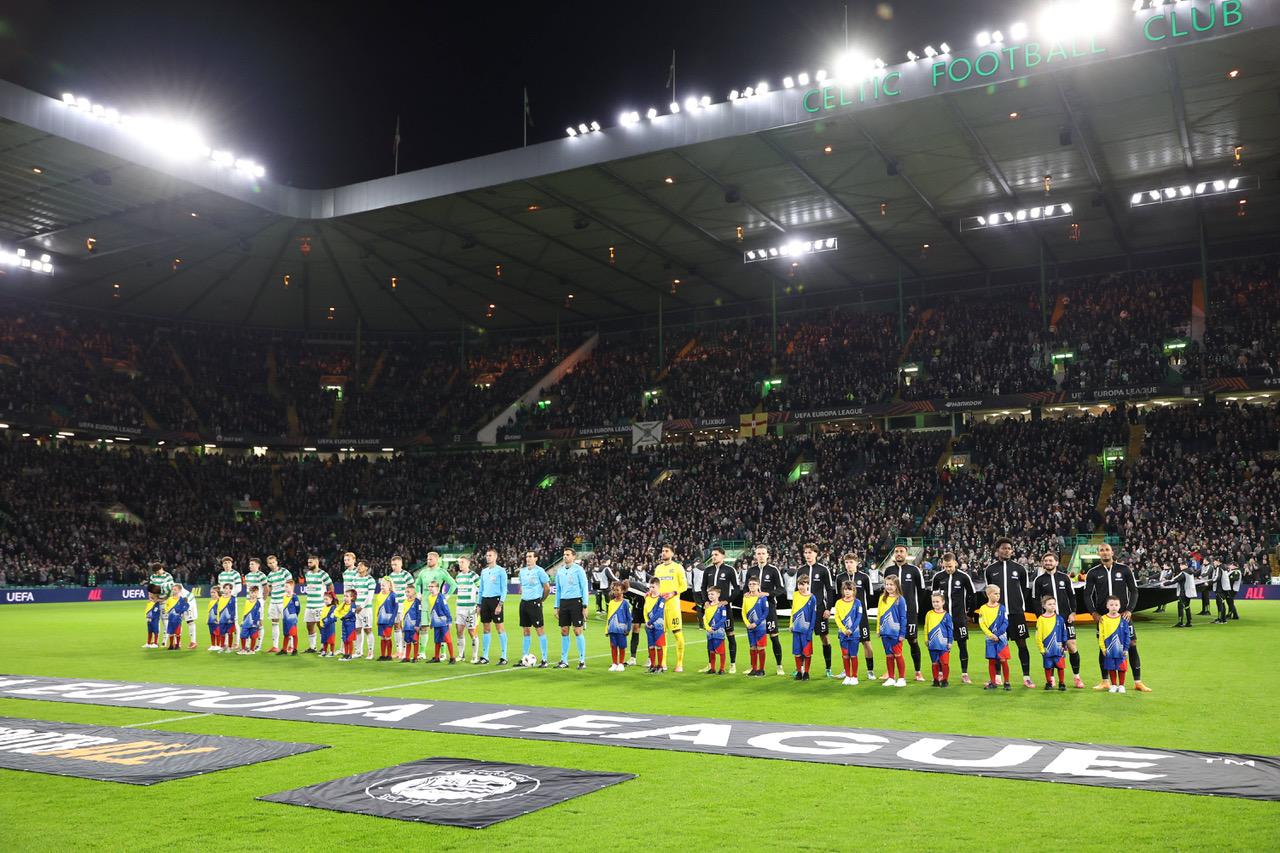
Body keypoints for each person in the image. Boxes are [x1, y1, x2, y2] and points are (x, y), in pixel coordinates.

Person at [1085, 542, 1149, 691]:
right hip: (1104, 618)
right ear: (1098, 553)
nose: (1105, 552)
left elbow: (1134, 591)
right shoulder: (1093, 572)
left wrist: (1129, 610)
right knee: (1104, 645)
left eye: (1107, 550)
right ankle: (1105, 681)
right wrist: (1093, 612)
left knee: (1132, 643)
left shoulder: (1124, 569)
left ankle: (1137, 682)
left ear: (1112, 552)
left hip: (1123, 617)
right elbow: (1087, 594)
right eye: (1102, 550)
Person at [984, 538, 1036, 688]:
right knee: (997, 644)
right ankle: (997, 677)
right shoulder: (990, 570)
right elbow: (988, 591)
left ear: (1012, 551)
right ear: (997, 551)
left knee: (1022, 643)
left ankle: (1026, 677)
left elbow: (1025, 590)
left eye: (1009, 548)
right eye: (1003, 548)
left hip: (1016, 613)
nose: (1006, 551)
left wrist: (1017, 605)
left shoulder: (1020, 569)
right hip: (997, 615)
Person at [1031, 551, 1085, 688]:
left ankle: (1076, 677)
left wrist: (1073, 612)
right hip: (1049, 621)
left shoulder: (1064, 578)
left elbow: (1072, 596)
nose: (1048, 563)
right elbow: (1035, 600)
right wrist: (1040, 617)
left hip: (1066, 619)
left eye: (1051, 561)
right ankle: (1052, 678)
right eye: (1046, 561)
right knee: (1050, 648)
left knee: (1071, 646)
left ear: (1056, 562)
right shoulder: (1039, 580)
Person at [930, 551, 975, 684]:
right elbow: (933, 596)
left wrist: (970, 613)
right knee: (940, 646)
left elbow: (973, 595)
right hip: (942, 619)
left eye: (950, 566)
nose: (948, 569)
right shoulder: (938, 577)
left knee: (962, 645)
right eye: (945, 566)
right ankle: (940, 673)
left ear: (955, 563)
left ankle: (965, 673)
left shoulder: (964, 577)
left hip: (959, 617)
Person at [743, 545, 787, 676]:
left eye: (763, 553)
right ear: (755, 556)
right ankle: (753, 666)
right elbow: (745, 587)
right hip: (753, 609)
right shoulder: (751, 571)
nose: (761, 556)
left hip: (769, 608)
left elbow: (781, 589)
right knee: (754, 639)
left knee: (773, 636)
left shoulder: (773, 570)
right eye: (759, 553)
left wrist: (768, 594)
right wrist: (745, 593)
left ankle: (779, 665)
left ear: (767, 555)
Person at [887, 545, 927, 682]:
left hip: (910, 613)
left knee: (912, 640)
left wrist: (913, 605)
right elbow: (886, 590)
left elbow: (922, 590)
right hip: (892, 613)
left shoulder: (914, 570)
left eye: (901, 551)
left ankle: (918, 672)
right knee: (891, 641)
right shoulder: (889, 570)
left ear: (907, 554)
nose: (899, 554)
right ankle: (890, 672)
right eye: (896, 551)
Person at [835, 553, 876, 680]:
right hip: (845, 617)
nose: (849, 565)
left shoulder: (864, 577)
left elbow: (870, 595)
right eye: (847, 562)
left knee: (866, 642)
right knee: (845, 643)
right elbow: (838, 596)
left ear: (857, 563)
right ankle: (846, 670)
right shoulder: (840, 578)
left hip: (860, 617)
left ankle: (870, 670)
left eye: (851, 562)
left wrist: (862, 610)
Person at [801, 544, 838, 678]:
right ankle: (801, 668)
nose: (808, 555)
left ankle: (828, 668)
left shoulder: (823, 570)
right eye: (806, 552)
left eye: (810, 552)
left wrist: (828, 608)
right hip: (804, 611)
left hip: (819, 610)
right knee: (802, 638)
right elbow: (796, 591)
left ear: (816, 554)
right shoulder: (801, 570)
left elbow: (829, 590)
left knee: (824, 637)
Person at [701, 546, 740, 673]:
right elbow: (703, 587)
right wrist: (705, 601)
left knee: (730, 634)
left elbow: (737, 588)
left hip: (724, 608)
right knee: (710, 634)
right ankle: (710, 665)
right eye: (712, 555)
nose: (713, 557)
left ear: (723, 556)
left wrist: (727, 600)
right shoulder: (708, 570)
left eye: (716, 555)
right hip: (710, 609)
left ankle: (732, 664)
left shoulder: (729, 570)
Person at [653, 544, 688, 673]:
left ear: (672, 554)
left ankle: (679, 664)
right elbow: (655, 586)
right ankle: (663, 663)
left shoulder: (678, 568)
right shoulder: (658, 569)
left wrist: (672, 593)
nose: (664, 553)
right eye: (663, 551)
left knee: (677, 633)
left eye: (666, 551)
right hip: (660, 607)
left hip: (673, 606)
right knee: (662, 634)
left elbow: (684, 586)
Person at [554, 547, 590, 670]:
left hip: (576, 602)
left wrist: (585, 606)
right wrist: (556, 606)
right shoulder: (560, 571)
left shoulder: (579, 570)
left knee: (577, 630)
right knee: (564, 631)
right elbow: (558, 590)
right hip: (564, 603)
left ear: (573, 557)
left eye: (568, 554)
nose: (565, 556)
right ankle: (564, 660)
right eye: (564, 554)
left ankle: (582, 660)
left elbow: (584, 588)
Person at [515, 551, 551, 667]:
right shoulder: (522, 571)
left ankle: (544, 659)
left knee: (539, 630)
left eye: (530, 556)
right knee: (526, 630)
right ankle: (524, 658)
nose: (528, 558)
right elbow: (522, 585)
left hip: (535, 602)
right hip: (524, 603)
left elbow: (547, 588)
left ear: (536, 558)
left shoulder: (540, 571)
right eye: (527, 557)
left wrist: (541, 600)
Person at [477, 549, 509, 665]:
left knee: (500, 628)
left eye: (490, 555)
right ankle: (485, 657)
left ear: (496, 557)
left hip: (496, 601)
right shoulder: (484, 572)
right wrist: (479, 604)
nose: (488, 557)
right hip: (485, 601)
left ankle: (504, 657)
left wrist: (500, 604)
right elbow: (481, 589)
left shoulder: (501, 571)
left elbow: (504, 589)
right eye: (487, 555)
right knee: (486, 629)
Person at [978, 584, 1012, 691]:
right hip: (990, 639)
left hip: (1002, 638)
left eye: (999, 594)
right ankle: (993, 682)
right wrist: (990, 635)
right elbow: (982, 624)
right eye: (995, 594)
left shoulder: (1002, 608)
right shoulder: (983, 608)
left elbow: (1005, 623)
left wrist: (997, 634)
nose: (998, 596)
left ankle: (1007, 682)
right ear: (988, 595)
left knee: (1003, 660)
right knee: (992, 660)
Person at [877, 574, 907, 688]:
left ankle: (902, 678)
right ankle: (891, 678)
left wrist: (902, 633)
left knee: (898, 655)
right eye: (887, 584)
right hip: (885, 632)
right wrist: (878, 630)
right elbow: (879, 614)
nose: (889, 587)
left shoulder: (900, 600)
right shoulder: (882, 598)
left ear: (896, 586)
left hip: (896, 633)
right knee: (889, 655)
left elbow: (903, 618)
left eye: (891, 584)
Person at [1098, 595, 1132, 693]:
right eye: (1111, 605)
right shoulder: (1103, 619)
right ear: (1107, 606)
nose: (1114, 607)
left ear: (1120, 606)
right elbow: (1101, 635)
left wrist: (1126, 648)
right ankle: (1113, 685)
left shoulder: (1123, 619)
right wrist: (1103, 648)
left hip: (1121, 648)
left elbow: (1127, 635)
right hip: (1109, 648)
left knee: (1121, 667)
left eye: (1116, 605)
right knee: (1111, 667)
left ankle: (1121, 685)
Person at [1035, 594, 1069, 691]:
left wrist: (1065, 646)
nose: (1053, 606)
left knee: (1060, 666)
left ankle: (1061, 683)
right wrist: (1041, 648)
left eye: (1054, 604)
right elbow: (1038, 635)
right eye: (1050, 604)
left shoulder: (1060, 619)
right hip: (1047, 648)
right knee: (1048, 666)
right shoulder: (1041, 619)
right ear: (1044, 606)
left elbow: (1064, 633)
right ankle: (1049, 682)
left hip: (1059, 648)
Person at [834, 580, 864, 685]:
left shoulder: (857, 603)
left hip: (854, 633)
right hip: (843, 634)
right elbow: (837, 617)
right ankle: (847, 676)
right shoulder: (838, 603)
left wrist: (851, 629)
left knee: (853, 655)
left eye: (849, 589)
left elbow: (859, 617)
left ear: (854, 591)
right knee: (845, 655)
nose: (847, 591)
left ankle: (854, 676)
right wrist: (843, 629)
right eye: (845, 589)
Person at [452, 555, 481, 663]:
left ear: (468, 563)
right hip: (460, 608)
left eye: (462, 562)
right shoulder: (458, 576)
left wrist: (479, 604)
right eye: (460, 562)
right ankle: (461, 655)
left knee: (472, 632)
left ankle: (475, 656)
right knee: (459, 631)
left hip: (470, 608)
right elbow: (460, 591)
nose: (460, 564)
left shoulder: (474, 576)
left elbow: (481, 589)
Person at [302, 555, 333, 654]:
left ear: (317, 563)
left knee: (321, 626)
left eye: (310, 562)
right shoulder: (307, 574)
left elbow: (330, 586)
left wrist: (330, 599)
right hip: (309, 605)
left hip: (320, 605)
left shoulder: (323, 574)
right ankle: (313, 647)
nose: (309, 564)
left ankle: (323, 647)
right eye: (308, 562)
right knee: (309, 626)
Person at [387, 555, 415, 659]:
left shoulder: (406, 575)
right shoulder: (390, 576)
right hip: (394, 605)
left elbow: (412, 588)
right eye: (392, 565)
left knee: (404, 627)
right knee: (396, 626)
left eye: (396, 564)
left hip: (404, 604)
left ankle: (404, 651)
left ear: (401, 564)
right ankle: (398, 650)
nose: (393, 566)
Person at [790, 574, 817, 681]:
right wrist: (791, 624)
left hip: (806, 630)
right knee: (797, 652)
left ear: (808, 585)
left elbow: (813, 615)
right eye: (799, 584)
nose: (800, 586)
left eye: (803, 584)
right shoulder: (795, 595)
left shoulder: (812, 598)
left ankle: (806, 673)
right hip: (796, 628)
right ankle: (799, 672)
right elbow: (793, 610)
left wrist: (810, 630)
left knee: (807, 652)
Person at [924, 592, 953, 687]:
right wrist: (926, 639)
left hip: (943, 643)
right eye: (933, 602)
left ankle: (945, 680)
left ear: (943, 602)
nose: (935, 604)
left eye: (937, 601)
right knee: (934, 662)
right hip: (932, 642)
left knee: (944, 662)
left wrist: (950, 641)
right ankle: (936, 680)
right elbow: (926, 627)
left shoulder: (947, 615)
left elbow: (950, 629)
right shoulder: (929, 614)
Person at [263, 554, 291, 653]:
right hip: (274, 601)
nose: (272, 564)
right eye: (270, 563)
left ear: (277, 562)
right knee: (274, 623)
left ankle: (291, 646)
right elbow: (270, 588)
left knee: (288, 622)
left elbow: (291, 583)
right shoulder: (269, 576)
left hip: (284, 601)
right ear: (268, 564)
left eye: (273, 562)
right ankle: (275, 646)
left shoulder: (284, 572)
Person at [742, 576, 769, 677]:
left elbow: (766, 612)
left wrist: (756, 623)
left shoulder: (762, 597)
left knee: (760, 647)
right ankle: (754, 669)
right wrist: (747, 623)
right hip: (750, 626)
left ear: (759, 585)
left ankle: (761, 670)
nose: (752, 586)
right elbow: (743, 612)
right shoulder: (746, 597)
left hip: (760, 626)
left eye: (754, 584)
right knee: (752, 647)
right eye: (750, 584)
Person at [426, 580, 456, 664]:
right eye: (429, 586)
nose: (430, 588)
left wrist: (449, 620)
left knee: (447, 638)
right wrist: (431, 622)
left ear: (437, 587)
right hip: (436, 622)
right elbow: (431, 610)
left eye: (432, 586)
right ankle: (436, 657)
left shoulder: (441, 596)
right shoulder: (429, 597)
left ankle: (452, 657)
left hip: (443, 621)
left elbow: (446, 608)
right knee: (437, 639)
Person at [606, 581, 632, 671]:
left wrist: (628, 629)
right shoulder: (611, 603)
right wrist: (607, 630)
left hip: (622, 630)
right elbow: (608, 617)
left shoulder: (625, 603)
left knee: (622, 647)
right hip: (612, 629)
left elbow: (629, 617)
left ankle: (621, 663)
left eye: (617, 590)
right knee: (613, 647)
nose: (615, 592)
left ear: (622, 591)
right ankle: (614, 663)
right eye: (614, 590)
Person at [702, 585, 728, 675]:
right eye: (709, 594)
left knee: (721, 651)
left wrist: (715, 627)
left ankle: (722, 669)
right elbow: (704, 618)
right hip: (709, 632)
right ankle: (712, 668)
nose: (710, 596)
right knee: (711, 650)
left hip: (718, 632)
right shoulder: (707, 606)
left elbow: (723, 618)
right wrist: (708, 628)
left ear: (718, 595)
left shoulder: (721, 606)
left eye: (712, 594)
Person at [643, 578, 667, 673]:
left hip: (658, 625)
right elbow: (645, 611)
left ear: (658, 586)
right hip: (649, 625)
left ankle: (660, 666)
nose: (651, 589)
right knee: (651, 646)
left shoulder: (661, 599)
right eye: (650, 587)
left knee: (659, 646)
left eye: (653, 587)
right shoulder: (648, 598)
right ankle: (652, 666)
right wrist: (646, 622)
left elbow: (659, 612)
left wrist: (649, 623)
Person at [375, 577, 398, 661]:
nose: (382, 587)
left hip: (388, 620)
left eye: (383, 585)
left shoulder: (393, 595)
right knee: (382, 637)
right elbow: (377, 608)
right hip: (381, 620)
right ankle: (383, 655)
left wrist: (392, 619)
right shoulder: (379, 595)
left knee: (387, 637)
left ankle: (389, 655)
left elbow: (396, 608)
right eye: (381, 585)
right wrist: (376, 619)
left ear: (389, 586)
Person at [278, 579, 301, 656]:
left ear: (292, 587)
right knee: (286, 634)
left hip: (291, 618)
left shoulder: (294, 597)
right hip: (285, 618)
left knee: (294, 634)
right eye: (285, 587)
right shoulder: (284, 597)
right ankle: (284, 649)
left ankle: (295, 649)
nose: (285, 588)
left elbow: (298, 607)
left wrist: (294, 615)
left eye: (287, 587)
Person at [1170, 562, 1197, 628]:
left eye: (1181, 565)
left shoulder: (1183, 573)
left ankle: (1180, 623)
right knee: (1187, 607)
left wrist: (1164, 584)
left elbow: (1175, 580)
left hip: (1183, 592)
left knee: (1180, 607)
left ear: (1185, 565)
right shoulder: (1191, 572)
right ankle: (1189, 622)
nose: (1180, 566)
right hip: (1189, 592)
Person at [163, 584, 189, 650]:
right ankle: (171, 645)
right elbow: (166, 604)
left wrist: (180, 612)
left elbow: (187, 606)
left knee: (177, 632)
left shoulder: (181, 599)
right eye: (172, 589)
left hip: (177, 618)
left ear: (179, 590)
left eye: (175, 589)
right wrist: (167, 611)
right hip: (170, 618)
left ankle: (177, 645)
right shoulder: (170, 598)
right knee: (171, 632)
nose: (173, 591)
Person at [237, 586, 262, 654]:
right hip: (246, 622)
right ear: (249, 593)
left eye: (255, 592)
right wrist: (242, 621)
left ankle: (252, 650)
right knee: (243, 635)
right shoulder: (247, 602)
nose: (253, 594)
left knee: (253, 636)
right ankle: (243, 649)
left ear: (257, 593)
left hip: (254, 623)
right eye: (252, 592)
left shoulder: (258, 603)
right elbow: (245, 612)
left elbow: (258, 614)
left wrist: (255, 623)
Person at [401, 585, 422, 664]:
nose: (407, 593)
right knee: (407, 641)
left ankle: (415, 657)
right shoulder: (405, 602)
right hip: (406, 625)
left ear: (414, 592)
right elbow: (404, 614)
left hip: (414, 625)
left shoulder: (417, 602)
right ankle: (407, 657)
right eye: (406, 592)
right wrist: (402, 624)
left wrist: (417, 625)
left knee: (415, 641)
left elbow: (419, 614)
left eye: (408, 592)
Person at [244, 557, 268, 622]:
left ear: (258, 565)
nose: (250, 566)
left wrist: (263, 600)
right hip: (248, 600)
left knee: (259, 621)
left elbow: (266, 589)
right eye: (249, 564)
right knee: (249, 621)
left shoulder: (261, 575)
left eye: (252, 564)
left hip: (258, 600)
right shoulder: (247, 576)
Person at [337, 589, 359, 661]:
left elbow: (352, 613)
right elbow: (336, 610)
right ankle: (346, 654)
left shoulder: (353, 605)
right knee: (345, 639)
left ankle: (350, 654)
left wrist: (344, 616)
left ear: (351, 597)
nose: (345, 598)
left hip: (350, 623)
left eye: (347, 596)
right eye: (344, 596)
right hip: (344, 623)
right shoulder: (343, 604)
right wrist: (340, 616)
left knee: (350, 639)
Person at [217, 582, 237, 654]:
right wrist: (218, 619)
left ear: (230, 590)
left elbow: (233, 609)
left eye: (226, 588)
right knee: (222, 633)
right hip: (222, 619)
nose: (225, 590)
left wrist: (231, 618)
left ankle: (229, 647)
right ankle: (222, 647)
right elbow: (219, 609)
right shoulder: (221, 598)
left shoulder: (232, 598)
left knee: (230, 633)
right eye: (224, 588)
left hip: (229, 620)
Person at [318, 591, 339, 657]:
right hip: (324, 626)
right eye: (324, 599)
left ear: (331, 599)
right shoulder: (325, 607)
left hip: (330, 625)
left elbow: (331, 617)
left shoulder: (333, 607)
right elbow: (322, 616)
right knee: (324, 639)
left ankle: (331, 652)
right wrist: (321, 624)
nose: (325, 601)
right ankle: (324, 651)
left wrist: (325, 624)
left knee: (331, 639)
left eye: (326, 599)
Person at [206, 585, 223, 651]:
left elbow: (220, 611)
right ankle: (213, 645)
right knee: (212, 633)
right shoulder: (211, 601)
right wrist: (207, 619)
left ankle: (218, 645)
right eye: (211, 592)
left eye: (214, 592)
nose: (212, 594)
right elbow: (208, 611)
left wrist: (219, 619)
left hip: (216, 620)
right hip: (211, 620)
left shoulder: (220, 600)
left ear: (218, 593)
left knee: (217, 633)